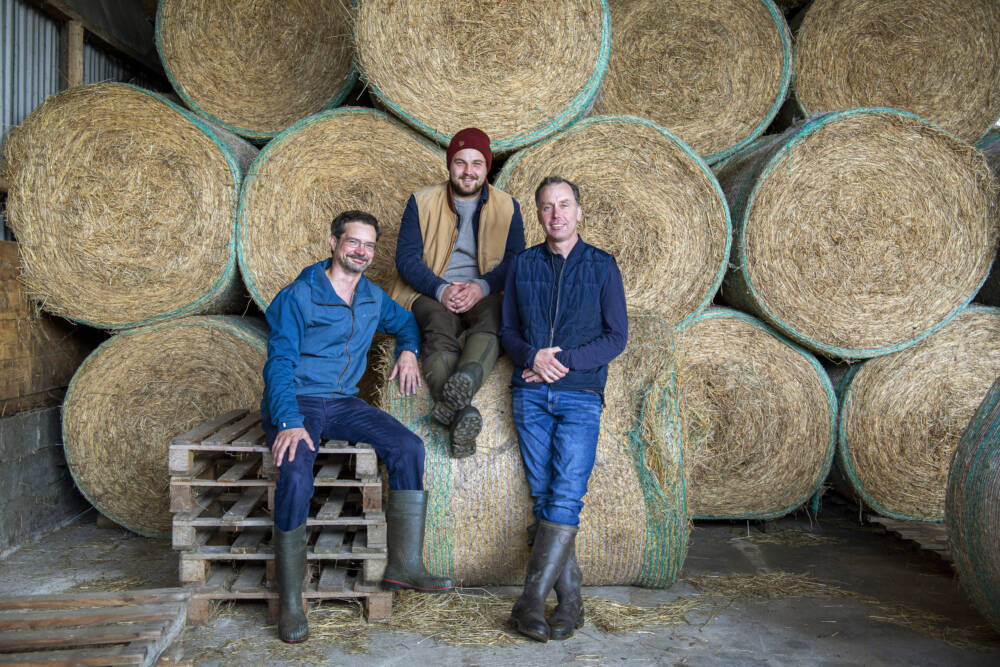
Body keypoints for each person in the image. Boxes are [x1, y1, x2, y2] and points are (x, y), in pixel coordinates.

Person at [262, 210, 454, 644]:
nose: (361, 252)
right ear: (333, 243)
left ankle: (405, 564)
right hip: (299, 400)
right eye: (354, 242)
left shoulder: (371, 297)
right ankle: (292, 599)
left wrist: (407, 350)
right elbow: (278, 363)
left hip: (343, 403)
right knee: (294, 470)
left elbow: (405, 322)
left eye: (369, 245)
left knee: (409, 447)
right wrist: (289, 420)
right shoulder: (300, 295)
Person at [499, 177, 628, 642]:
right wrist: (531, 356)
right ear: (539, 215)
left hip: (580, 396)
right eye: (548, 207)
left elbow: (617, 337)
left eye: (565, 205)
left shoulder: (601, 266)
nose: (557, 214)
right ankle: (570, 602)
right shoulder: (523, 264)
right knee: (544, 496)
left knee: (566, 494)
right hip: (529, 393)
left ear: (579, 212)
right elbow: (508, 330)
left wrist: (561, 362)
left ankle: (531, 601)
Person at [390, 127, 525, 458]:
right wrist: (440, 289)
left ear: (487, 167)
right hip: (431, 289)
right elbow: (406, 260)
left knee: (496, 316)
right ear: (449, 165)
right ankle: (461, 411)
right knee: (437, 325)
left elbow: (515, 261)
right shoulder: (421, 202)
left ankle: (461, 387)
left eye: (477, 163)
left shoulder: (508, 207)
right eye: (461, 162)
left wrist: (481, 287)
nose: (468, 171)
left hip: (484, 292)